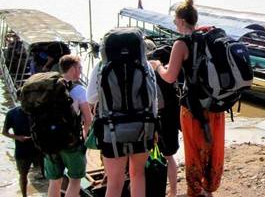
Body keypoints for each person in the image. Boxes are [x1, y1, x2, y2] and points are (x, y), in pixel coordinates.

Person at [150, 0, 225, 197]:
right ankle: (209, 191)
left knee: (194, 151)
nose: (175, 24)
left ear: (182, 21)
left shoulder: (181, 44)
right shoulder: (210, 38)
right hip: (216, 106)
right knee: (213, 149)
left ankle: (195, 191)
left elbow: (169, 77)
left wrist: (158, 68)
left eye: (175, 21)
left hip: (192, 107)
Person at [86, 44, 158, 197]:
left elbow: (90, 97)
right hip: (142, 127)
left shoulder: (101, 66)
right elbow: (153, 99)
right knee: (138, 175)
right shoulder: (145, 65)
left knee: (114, 181)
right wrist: (155, 127)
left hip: (111, 128)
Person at [45, 55, 91, 197]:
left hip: (49, 141)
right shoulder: (79, 91)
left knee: (54, 181)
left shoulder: (48, 88)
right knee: (75, 180)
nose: (81, 71)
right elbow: (88, 120)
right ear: (72, 69)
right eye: (79, 68)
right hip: (71, 142)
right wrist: (84, 139)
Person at [147, 46, 181, 197]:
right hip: (173, 117)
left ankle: (170, 191)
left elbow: (156, 102)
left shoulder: (157, 75)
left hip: (162, 119)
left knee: (165, 156)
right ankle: (172, 191)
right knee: (169, 156)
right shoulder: (174, 73)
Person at [2, 93, 45, 197]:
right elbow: (4, 132)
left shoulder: (36, 112)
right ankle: (24, 195)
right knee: (23, 175)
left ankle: (43, 190)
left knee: (44, 172)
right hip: (22, 149)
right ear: (18, 98)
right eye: (24, 97)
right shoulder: (12, 114)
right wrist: (18, 138)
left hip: (38, 148)